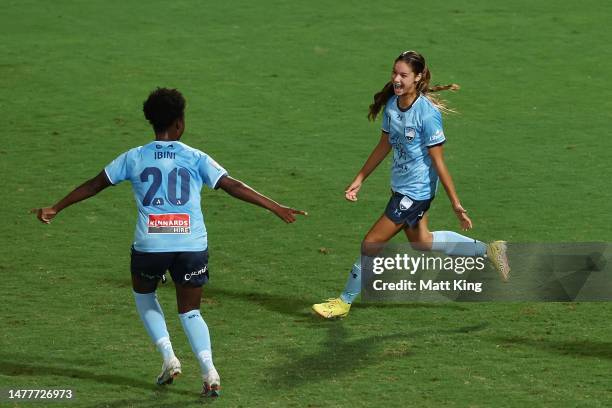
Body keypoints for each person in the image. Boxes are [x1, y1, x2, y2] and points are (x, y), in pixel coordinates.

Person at [32, 87, 306, 397]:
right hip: (191, 245)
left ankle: (168, 357)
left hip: (150, 246)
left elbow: (95, 185)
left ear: (153, 122)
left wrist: (56, 207)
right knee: (190, 311)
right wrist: (276, 207)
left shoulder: (133, 156)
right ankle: (209, 370)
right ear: (179, 123)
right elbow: (232, 185)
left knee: (144, 294)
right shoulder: (194, 156)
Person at [312, 51, 509, 319]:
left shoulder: (427, 115)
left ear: (417, 77)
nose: (396, 79)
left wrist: (456, 204)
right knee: (423, 243)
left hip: (415, 193)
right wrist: (359, 179)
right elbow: (384, 145)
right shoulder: (393, 106)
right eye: (394, 73)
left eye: (403, 75)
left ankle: (343, 302)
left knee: (371, 243)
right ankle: (488, 250)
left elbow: (439, 163)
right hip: (401, 187)